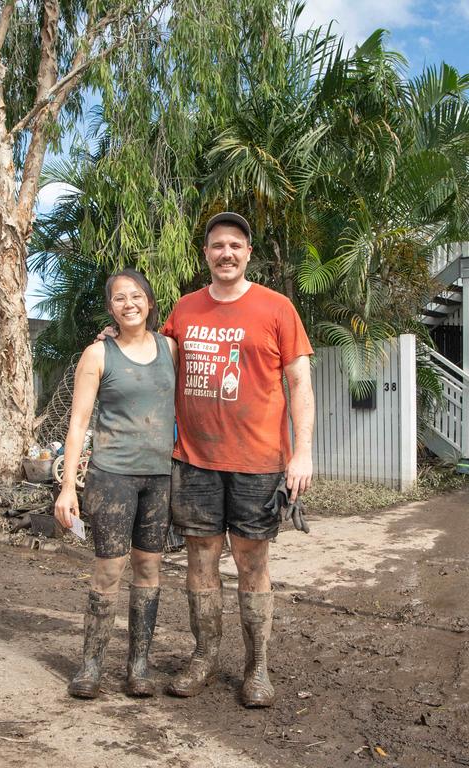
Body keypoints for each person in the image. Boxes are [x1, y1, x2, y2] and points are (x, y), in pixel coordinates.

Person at [162, 212, 314, 708]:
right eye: (217, 245)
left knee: (253, 562)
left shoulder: (276, 307)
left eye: (235, 245)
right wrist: (114, 343)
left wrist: (304, 452)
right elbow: (152, 355)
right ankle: (204, 657)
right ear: (205, 254)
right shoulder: (184, 309)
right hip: (196, 460)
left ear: (248, 253)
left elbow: (300, 385)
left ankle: (257, 666)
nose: (226, 253)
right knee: (200, 560)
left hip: (259, 462)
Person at [54, 268, 178, 699]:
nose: (130, 304)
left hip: (159, 478)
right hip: (112, 478)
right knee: (109, 568)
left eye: (137, 296)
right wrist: (68, 485)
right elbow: (78, 424)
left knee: (149, 568)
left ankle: (138, 667)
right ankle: (90, 666)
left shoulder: (170, 349)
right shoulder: (98, 355)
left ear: (149, 301)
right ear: (111, 308)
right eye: (120, 298)